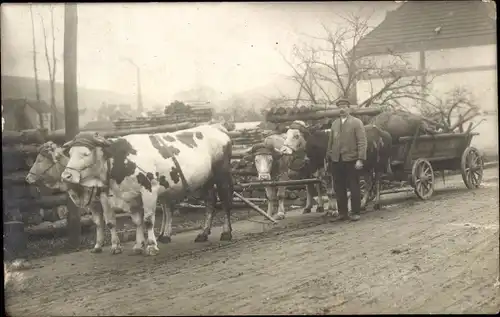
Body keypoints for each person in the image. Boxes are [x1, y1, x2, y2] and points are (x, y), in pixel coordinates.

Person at [326, 98, 367, 221]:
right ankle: (342, 213)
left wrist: (360, 159)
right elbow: (331, 142)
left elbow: (362, 142)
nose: (342, 109)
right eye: (339, 107)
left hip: (351, 159)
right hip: (337, 160)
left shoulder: (356, 122)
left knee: (354, 186)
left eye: (344, 106)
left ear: (349, 108)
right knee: (339, 187)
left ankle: (355, 212)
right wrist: (329, 156)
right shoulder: (334, 124)